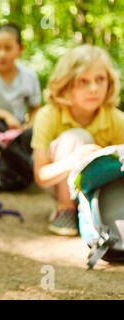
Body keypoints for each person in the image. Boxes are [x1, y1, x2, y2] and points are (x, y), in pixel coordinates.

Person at [31, 44, 124, 236]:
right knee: (76, 137)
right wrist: (74, 161)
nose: (93, 89)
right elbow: (41, 176)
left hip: (100, 188)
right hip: (59, 183)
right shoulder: (48, 115)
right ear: (66, 84)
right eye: (83, 81)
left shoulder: (116, 119)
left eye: (100, 79)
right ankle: (66, 209)